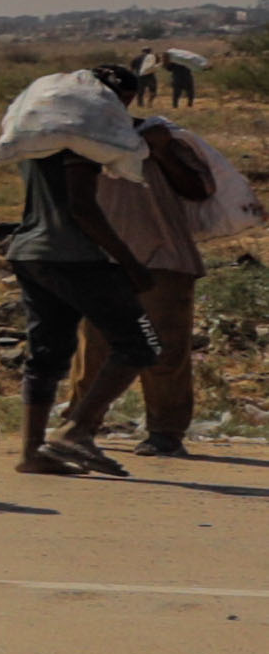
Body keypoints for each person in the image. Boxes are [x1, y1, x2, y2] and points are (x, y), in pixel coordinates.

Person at [0, 71, 160, 483]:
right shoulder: (82, 139)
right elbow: (82, 207)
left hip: (30, 253)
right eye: (124, 101)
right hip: (73, 257)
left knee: (46, 355)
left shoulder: (41, 139)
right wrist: (129, 262)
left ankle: (33, 452)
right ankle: (76, 431)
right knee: (141, 345)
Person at [104, 101, 230, 462]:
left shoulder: (161, 138)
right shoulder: (80, 142)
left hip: (164, 255)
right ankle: (83, 423)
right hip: (102, 258)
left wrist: (160, 151)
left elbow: (199, 189)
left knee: (165, 348)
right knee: (95, 345)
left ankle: (165, 432)